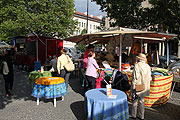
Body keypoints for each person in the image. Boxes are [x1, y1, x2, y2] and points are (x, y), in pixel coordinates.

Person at [130, 53, 152, 120]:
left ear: (138, 59)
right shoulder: (148, 66)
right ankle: (141, 116)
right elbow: (150, 78)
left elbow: (135, 77)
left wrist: (133, 85)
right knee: (142, 101)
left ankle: (133, 115)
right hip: (144, 86)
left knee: (135, 101)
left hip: (137, 85)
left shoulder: (137, 66)